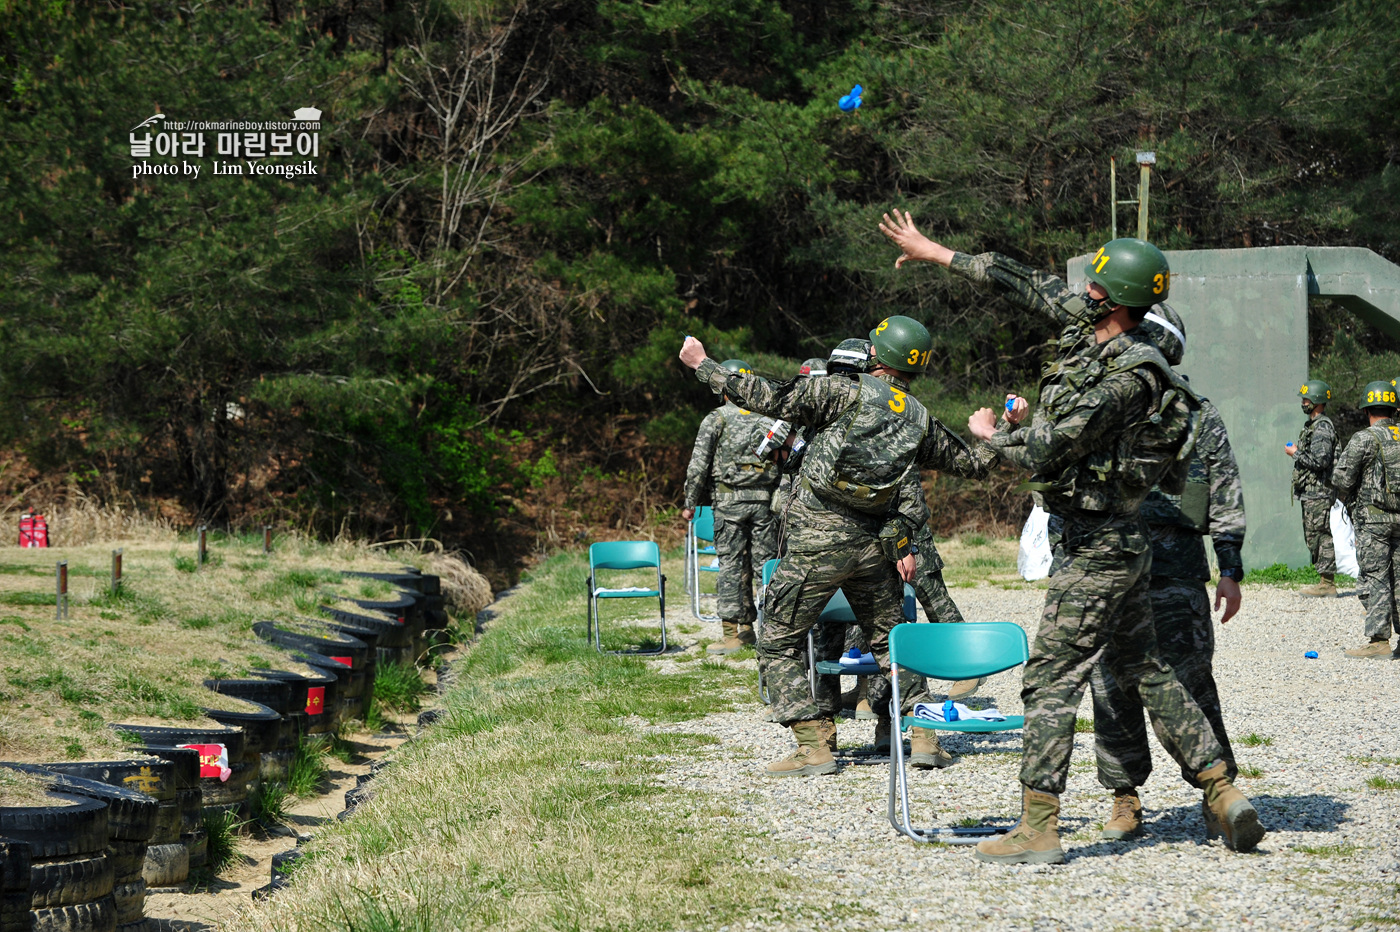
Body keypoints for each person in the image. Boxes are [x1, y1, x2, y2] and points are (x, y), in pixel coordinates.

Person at [881, 211, 1265, 863]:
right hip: (1122, 549)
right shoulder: (1113, 345)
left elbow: (1051, 448)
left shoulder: (1132, 380)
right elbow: (1024, 282)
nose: (1081, 294)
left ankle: (1038, 827)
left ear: (1113, 302)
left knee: (1050, 679)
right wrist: (935, 251)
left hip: (1096, 547)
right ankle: (1222, 790)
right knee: (1148, 669)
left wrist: (993, 437)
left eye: (1093, 288)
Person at [679, 318, 999, 777]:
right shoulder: (918, 417)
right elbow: (973, 464)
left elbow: (766, 397)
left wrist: (703, 366)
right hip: (875, 548)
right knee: (892, 644)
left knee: (777, 639)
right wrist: (994, 431)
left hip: (817, 542)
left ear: (876, 355)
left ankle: (814, 746)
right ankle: (924, 738)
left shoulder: (843, 391)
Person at [1086, 304, 1247, 840]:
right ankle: (1124, 796)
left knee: (1193, 682)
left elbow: (1223, 491)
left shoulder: (1198, 412)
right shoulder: (1099, 405)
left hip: (1176, 573)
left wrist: (1230, 566)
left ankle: (1217, 792)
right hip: (1109, 570)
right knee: (1111, 688)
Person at [682, 359, 782, 655]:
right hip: (765, 503)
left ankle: (730, 635)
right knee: (765, 567)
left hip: (728, 503)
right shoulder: (768, 419)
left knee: (730, 566)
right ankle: (763, 629)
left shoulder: (717, 418)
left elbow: (698, 465)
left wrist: (690, 502)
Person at [1329, 381, 1400, 659]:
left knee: (1376, 577)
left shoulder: (1364, 438)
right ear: (1394, 409)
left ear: (1367, 409)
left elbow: (1341, 478)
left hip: (1374, 521)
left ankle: (1379, 641)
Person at [1288, 381, 1339, 596]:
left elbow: (1320, 461)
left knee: (1320, 535)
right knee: (1312, 535)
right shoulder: (1313, 426)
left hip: (1319, 492)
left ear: (1317, 401)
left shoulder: (1322, 427)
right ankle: (1324, 580)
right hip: (1311, 492)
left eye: (1306, 399)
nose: (1303, 403)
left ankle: (1327, 584)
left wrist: (1296, 453)